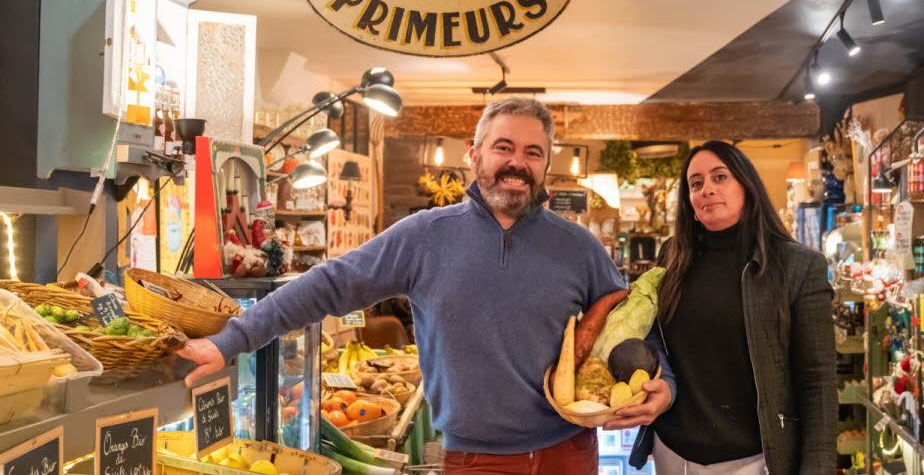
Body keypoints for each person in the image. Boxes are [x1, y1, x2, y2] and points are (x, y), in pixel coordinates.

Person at [179, 98, 675, 475]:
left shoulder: (579, 247)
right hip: (473, 460)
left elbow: (635, 329)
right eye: (503, 147)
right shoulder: (424, 236)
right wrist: (231, 340)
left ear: (546, 164)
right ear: (475, 154)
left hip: (568, 455)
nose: (516, 162)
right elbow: (329, 284)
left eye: (532, 152)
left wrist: (664, 386)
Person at [628, 141, 837, 475]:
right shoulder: (672, 257)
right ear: (689, 202)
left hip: (756, 459)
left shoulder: (797, 266)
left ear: (747, 186)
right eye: (696, 184)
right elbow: (654, 337)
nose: (706, 189)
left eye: (719, 177)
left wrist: (817, 467)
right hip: (673, 454)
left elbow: (817, 381)